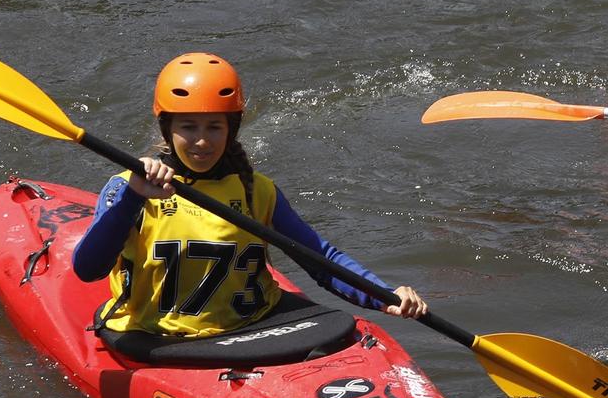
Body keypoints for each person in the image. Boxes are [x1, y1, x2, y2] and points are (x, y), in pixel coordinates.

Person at [72, 52, 427, 358]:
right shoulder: (129, 187)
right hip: (160, 338)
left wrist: (384, 296)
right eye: (187, 127)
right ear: (167, 130)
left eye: (214, 127)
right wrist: (134, 197)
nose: (201, 141)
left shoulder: (257, 191)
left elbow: (321, 259)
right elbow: (88, 269)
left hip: (256, 327)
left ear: (232, 128)